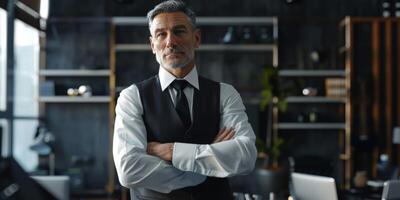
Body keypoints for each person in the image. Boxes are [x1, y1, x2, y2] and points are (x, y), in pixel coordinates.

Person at [113, 0, 257, 199]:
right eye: (161, 34)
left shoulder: (225, 93)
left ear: (196, 38)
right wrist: (203, 167)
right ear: (152, 45)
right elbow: (129, 170)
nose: (170, 42)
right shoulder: (132, 97)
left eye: (179, 31)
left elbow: (245, 156)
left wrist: (173, 151)